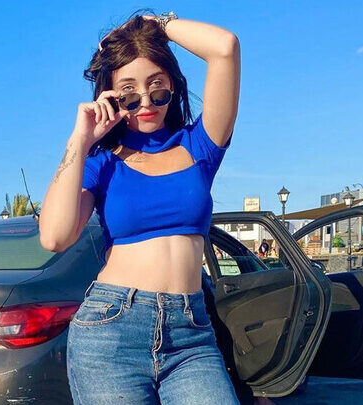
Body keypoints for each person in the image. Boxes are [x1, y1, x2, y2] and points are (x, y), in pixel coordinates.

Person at [39, 12, 240, 404]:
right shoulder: (102, 161)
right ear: (110, 98)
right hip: (112, 330)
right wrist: (80, 140)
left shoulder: (199, 146)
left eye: (157, 88)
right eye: (129, 94)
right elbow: (54, 237)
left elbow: (225, 48)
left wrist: (154, 25)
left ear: (172, 86)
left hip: (191, 337)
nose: (145, 102)